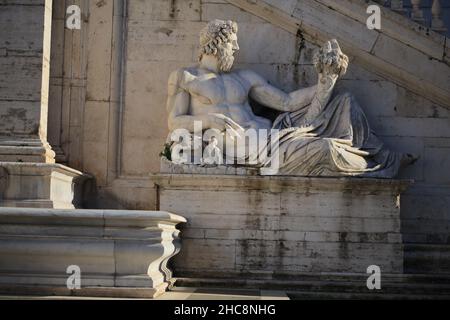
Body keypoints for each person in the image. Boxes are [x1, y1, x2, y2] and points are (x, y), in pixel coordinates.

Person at [166, 19, 416, 177]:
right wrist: (210, 121)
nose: (237, 49)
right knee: (327, 148)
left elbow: (287, 102)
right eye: (232, 43)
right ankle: (371, 165)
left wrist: (323, 82)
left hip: (274, 135)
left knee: (344, 101)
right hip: (246, 147)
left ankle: (382, 157)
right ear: (217, 44)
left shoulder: (244, 78)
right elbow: (174, 122)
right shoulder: (186, 78)